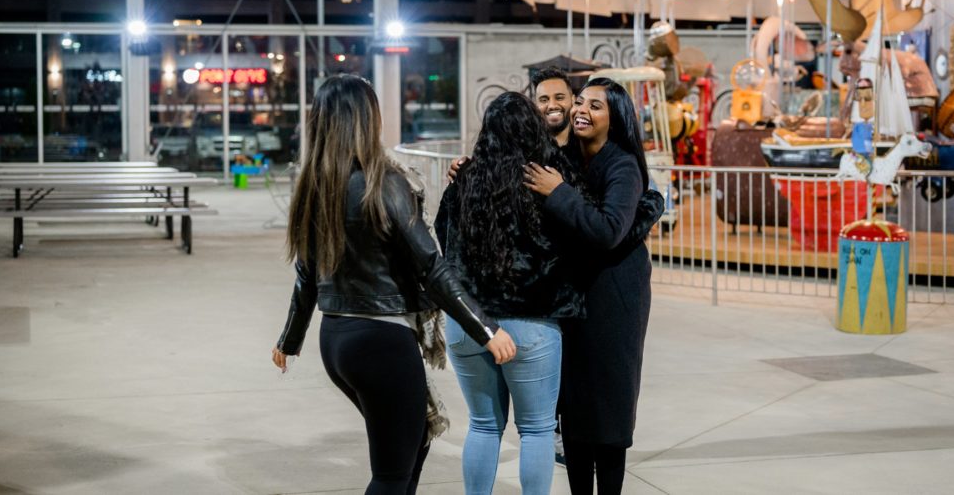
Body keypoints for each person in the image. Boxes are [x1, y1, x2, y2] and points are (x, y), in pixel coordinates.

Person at [272, 74, 516, 495]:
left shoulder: (317, 185)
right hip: (381, 341)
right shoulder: (382, 183)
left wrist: (291, 339)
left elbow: (306, 276)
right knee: (390, 472)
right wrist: (486, 329)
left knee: (414, 439)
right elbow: (431, 267)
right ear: (367, 118)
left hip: (337, 341)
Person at [435, 92, 584, 495]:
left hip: (468, 323)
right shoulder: (549, 180)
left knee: (483, 426)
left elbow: (443, 240)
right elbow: (576, 241)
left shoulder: (463, 180)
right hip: (530, 324)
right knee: (536, 431)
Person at [524, 77, 662, 495]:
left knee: (609, 410)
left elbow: (607, 230)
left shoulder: (622, 165)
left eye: (595, 106)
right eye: (580, 101)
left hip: (614, 299)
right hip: (573, 300)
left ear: (615, 118)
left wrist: (560, 193)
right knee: (576, 411)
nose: (582, 109)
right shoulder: (567, 156)